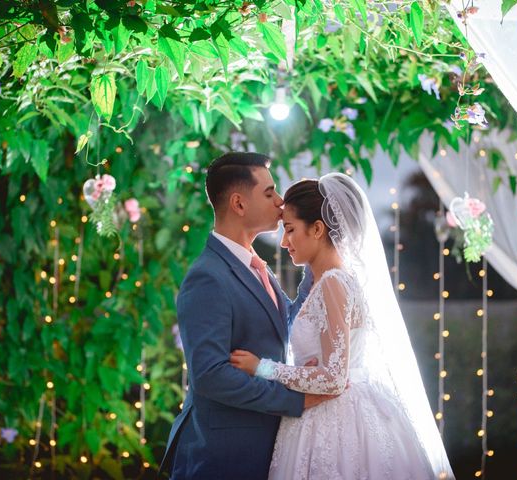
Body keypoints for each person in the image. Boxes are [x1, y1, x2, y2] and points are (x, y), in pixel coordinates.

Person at [231, 173, 455, 479]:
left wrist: (263, 368)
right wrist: (305, 372)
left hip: (338, 419)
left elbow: (335, 378)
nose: (284, 242)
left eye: (290, 230)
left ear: (318, 229)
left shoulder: (333, 284)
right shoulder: (327, 282)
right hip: (340, 409)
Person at [159, 152, 329, 479]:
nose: (280, 202)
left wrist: (318, 259)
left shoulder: (253, 265)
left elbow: (284, 326)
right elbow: (211, 375)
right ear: (239, 204)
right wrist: (295, 400)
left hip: (265, 447)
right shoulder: (208, 276)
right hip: (224, 455)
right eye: (269, 193)